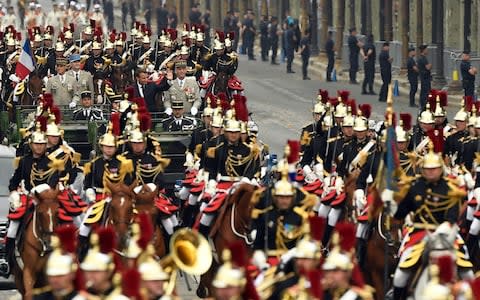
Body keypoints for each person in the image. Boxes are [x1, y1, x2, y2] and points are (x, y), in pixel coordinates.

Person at [383, 148, 473, 299]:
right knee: (400, 273)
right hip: (419, 232)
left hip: (446, 232)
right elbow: (401, 213)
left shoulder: (451, 187)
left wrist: (446, 227)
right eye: (427, 169)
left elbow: (452, 214)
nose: (431, 172)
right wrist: (390, 205)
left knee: (467, 270)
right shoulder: (415, 187)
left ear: (440, 169)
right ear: (422, 170)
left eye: (434, 169)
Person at [6, 126, 61, 275]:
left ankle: (68, 258)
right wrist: (13, 192)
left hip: (46, 199)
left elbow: (53, 181)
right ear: (31, 145)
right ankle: (9, 260)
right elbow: (14, 181)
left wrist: (44, 192)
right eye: (36, 144)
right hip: (28, 198)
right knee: (12, 228)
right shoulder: (24, 161)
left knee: (63, 220)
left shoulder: (52, 162)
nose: (39, 147)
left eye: (42, 144)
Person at [418, 45, 432, 110]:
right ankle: (424, 104)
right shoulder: (423, 59)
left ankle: (423, 104)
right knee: (425, 91)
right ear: (423, 50)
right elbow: (427, 67)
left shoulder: (421, 58)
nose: (427, 51)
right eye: (426, 49)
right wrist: (430, 65)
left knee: (424, 91)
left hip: (424, 77)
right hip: (425, 77)